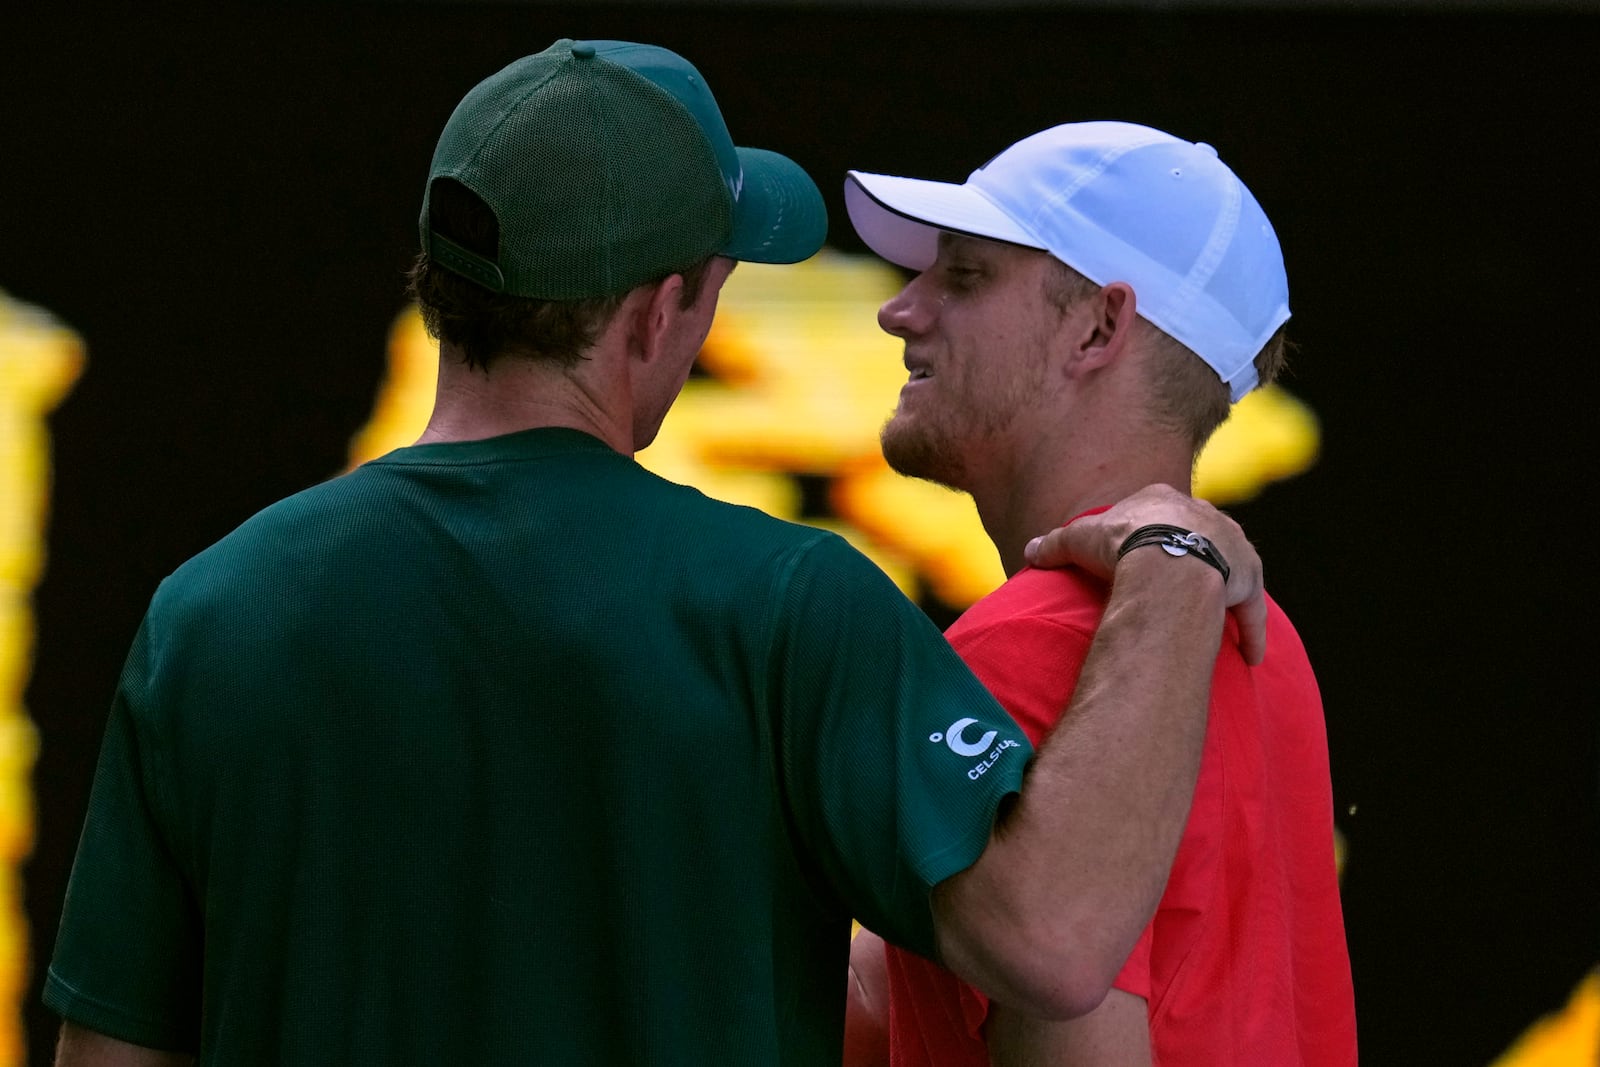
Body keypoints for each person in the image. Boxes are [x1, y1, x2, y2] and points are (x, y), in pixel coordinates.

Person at [44, 43, 1266, 1066]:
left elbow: (109, 1053)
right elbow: (1056, 942)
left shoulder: (207, 613)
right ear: (655, 311)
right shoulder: (789, 604)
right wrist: (1169, 546)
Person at [841, 122, 1358, 1064]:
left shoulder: (1033, 643)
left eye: (964, 278)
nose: (900, 311)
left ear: (1097, 328)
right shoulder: (1259, 635)